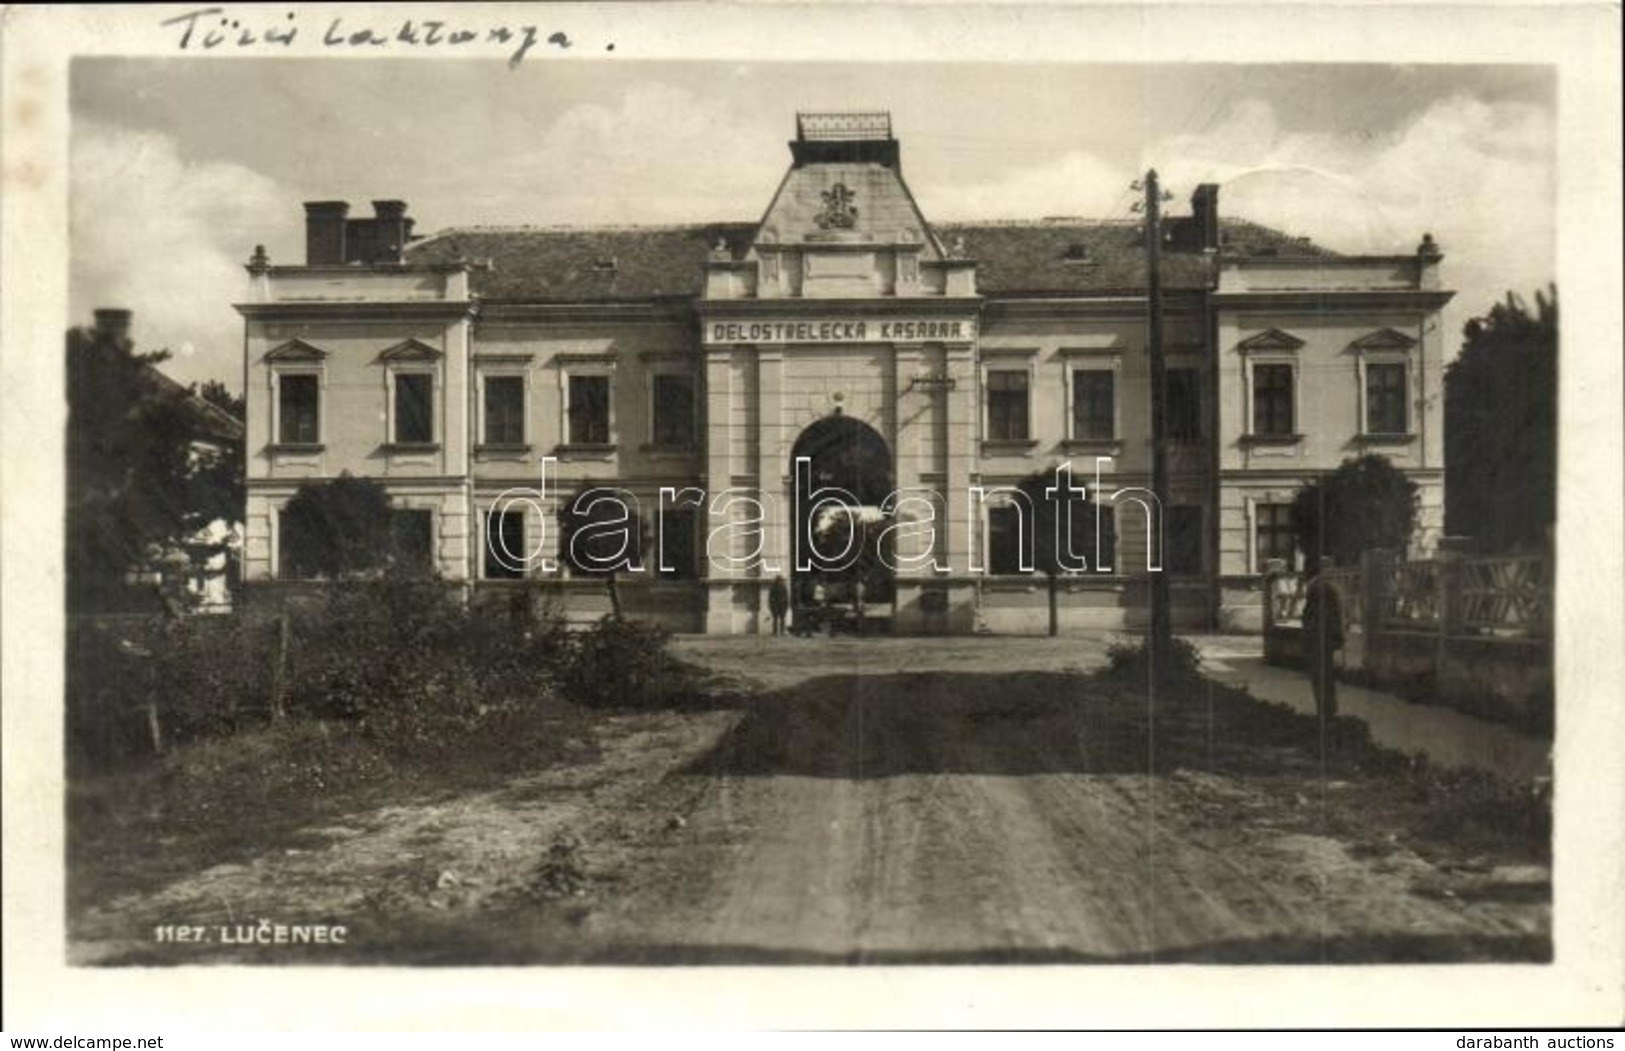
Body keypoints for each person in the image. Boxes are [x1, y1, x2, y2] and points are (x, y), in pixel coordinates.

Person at [1301, 558, 1344, 720]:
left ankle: (1325, 710)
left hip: (1318, 638)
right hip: (1321, 638)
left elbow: (1308, 616)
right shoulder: (1327, 588)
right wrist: (1338, 637)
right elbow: (1335, 616)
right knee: (1325, 675)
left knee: (1320, 676)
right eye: (1326, 567)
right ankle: (1328, 709)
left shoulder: (1317, 586)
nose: (1329, 570)